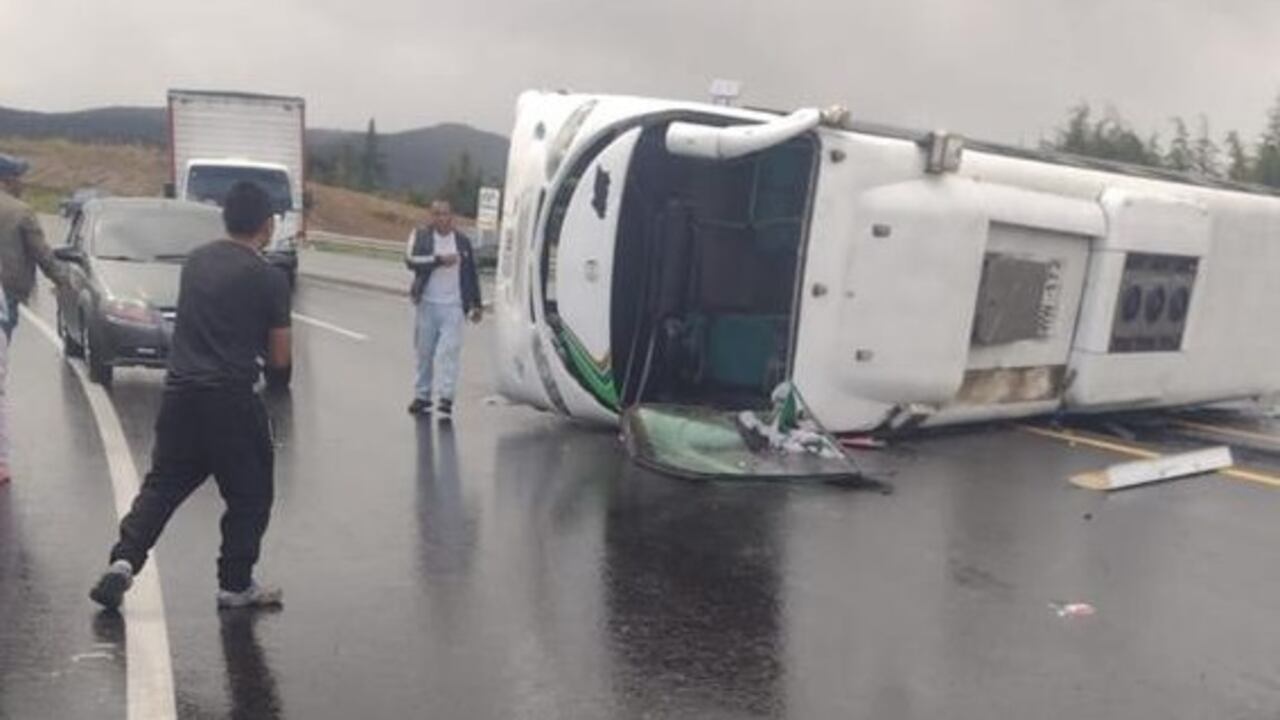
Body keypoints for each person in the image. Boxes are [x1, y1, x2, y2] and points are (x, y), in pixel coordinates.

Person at [90, 181, 292, 611]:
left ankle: (124, 562)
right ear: (268, 224)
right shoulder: (269, 278)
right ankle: (235, 584)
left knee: (163, 485)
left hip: (181, 395)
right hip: (231, 399)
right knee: (250, 495)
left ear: (226, 218)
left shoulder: (196, 262)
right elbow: (279, 358)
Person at [405, 199, 482, 420]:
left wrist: (475, 304)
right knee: (424, 352)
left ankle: (446, 397)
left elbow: (471, 274)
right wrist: (438, 260)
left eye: (445, 214)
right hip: (427, 304)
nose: (442, 218)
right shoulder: (421, 236)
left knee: (449, 352)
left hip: (454, 307)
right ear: (431, 216)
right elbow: (410, 261)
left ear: (452, 216)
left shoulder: (462, 242)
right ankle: (423, 396)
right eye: (437, 214)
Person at [0, 153, 70, 339]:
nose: (23, 184)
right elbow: (41, 253)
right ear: (7, 180)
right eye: (19, 178)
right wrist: (62, 280)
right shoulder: (20, 211)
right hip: (6, 289)